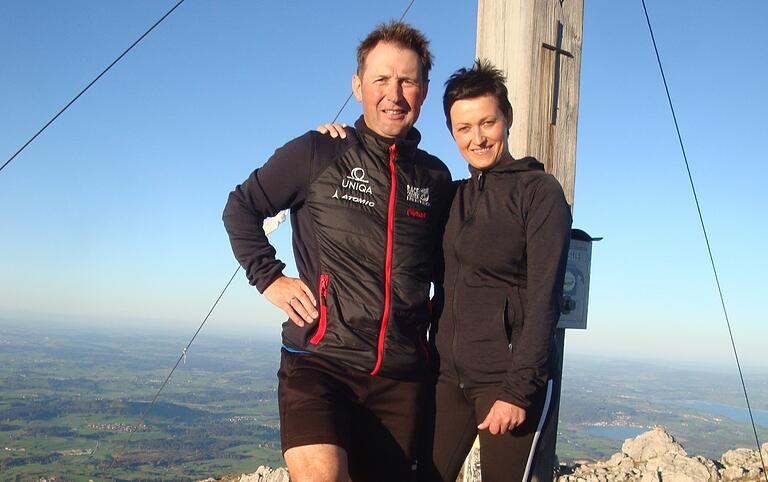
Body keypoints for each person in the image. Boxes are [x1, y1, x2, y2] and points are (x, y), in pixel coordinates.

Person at [222, 21, 453, 482]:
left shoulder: (435, 178)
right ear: (357, 85)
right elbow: (241, 208)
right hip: (320, 361)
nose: (394, 94)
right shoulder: (319, 153)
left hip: (401, 376)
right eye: (381, 79)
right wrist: (269, 277)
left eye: (407, 81)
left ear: (424, 91)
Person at [425, 60, 572, 482]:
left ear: (506, 118)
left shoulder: (539, 192)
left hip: (506, 381)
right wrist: (343, 141)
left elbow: (545, 300)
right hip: (447, 375)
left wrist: (517, 391)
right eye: (463, 128)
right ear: (452, 132)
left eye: (487, 122)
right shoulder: (453, 198)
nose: (477, 137)